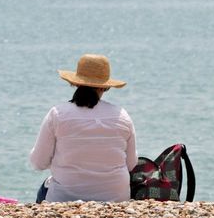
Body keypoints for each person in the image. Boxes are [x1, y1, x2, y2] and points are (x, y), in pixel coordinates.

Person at [30, 54, 137, 202]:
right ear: (105, 87)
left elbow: (38, 163)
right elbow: (131, 164)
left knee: (45, 188)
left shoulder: (57, 114)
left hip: (64, 198)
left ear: (75, 83)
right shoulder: (122, 116)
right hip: (116, 198)